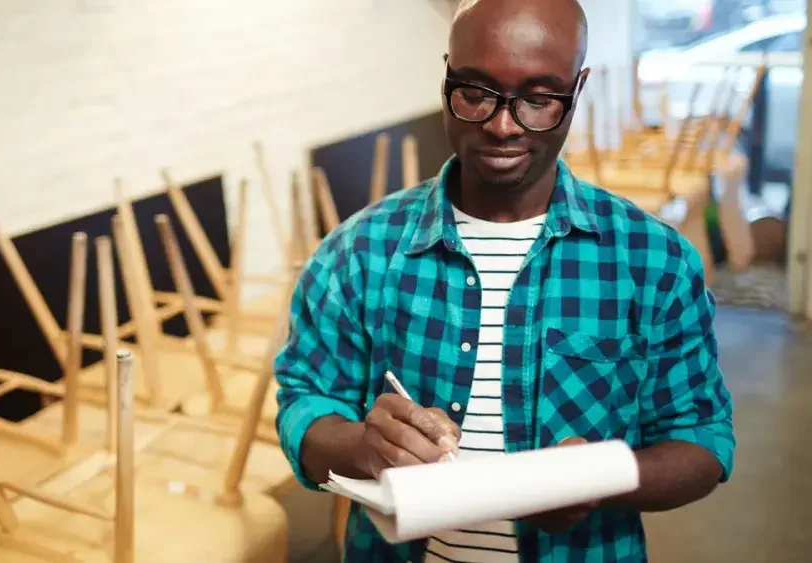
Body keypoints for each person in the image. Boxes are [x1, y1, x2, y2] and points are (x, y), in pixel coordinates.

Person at [273, 0, 736, 561]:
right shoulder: (359, 252)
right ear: (446, 74)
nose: (501, 125)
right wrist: (363, 447)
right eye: (474, 93)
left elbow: (703, 442)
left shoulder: (653, 261)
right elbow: (304, 407)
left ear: (577, 87)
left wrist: (600, 478)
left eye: (540, 100)